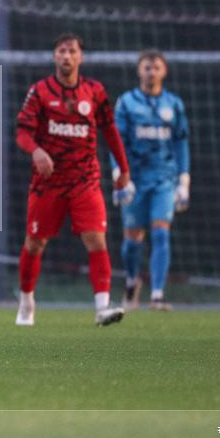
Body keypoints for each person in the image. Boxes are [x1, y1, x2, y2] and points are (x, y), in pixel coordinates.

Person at [14, 32, 133, 327]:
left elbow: (110, 131)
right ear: (54, 56)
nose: (66, 56)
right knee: (34, 243)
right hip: (48, 182)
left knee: (96, 238)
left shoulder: (95, 91)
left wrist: (124, 168)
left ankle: (102, 308)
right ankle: (27, 301)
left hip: (85, 179)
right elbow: (23, 133)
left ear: (81, 57)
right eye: (61, 51)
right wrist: (36, 150)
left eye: (72, 51)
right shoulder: (40, 91)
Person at [111, 49, 190, 312]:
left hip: (164, 179)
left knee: (160, 232)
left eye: (156, 68)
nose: (151, 72)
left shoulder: (174, 104)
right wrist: (119, 176)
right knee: (132, 240)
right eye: (147, 67)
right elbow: (117, 141)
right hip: (134, 178)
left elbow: (181, 143)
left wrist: (184, 181)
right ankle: (132, 280)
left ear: (164, 71)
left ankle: (157, 294)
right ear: (139, 71)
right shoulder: (126, 102)